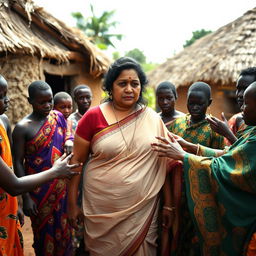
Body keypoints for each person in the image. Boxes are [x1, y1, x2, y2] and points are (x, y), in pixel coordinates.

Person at [68, 57, 172, 256]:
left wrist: (169, 205)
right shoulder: (92, 117)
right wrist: (72, 205)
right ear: (110, 87)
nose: (129, 89)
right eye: (122, 84)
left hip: (142, 212)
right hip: (100, 209)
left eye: (135, 84)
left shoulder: (151, 118)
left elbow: (165, 163)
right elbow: (76, 163)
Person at [151, 81, 256, 256]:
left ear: (209, 103)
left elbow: (227, 165)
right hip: (179, 193)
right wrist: (190, 147)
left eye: (246, 103)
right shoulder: (252, 131)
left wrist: (183, 156)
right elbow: (229, 153)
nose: (241, 107)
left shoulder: (216, 129)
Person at [0, 76, 79, 256]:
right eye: (41, 102)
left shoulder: (58, 117)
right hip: (38, 192)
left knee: (66, 233)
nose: (47, 105)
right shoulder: (22, 128)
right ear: (30, 101)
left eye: (50, 101)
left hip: (62, 188)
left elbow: (68, 131)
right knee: (43, 237)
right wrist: (26, 198)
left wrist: (69, 140)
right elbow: (17, 162)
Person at [162, 82, 224, 256]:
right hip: (174, 192)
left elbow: (218, 162)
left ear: (209, 103)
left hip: (200, 193)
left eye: (200, 104)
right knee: (173, 231)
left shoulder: (214, 129)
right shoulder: (178, 124)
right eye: (191, 103)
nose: (195, 107)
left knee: (194, 238)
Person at [68, 85, 92, 256]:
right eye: (81, 98)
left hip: (95, 172)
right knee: (79, 206)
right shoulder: (71, 121)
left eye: (87, 97)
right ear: (75, 99)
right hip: (78, 171)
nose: (85, 101)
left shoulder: (96, 117)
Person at [207, 67, 256, 145]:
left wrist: (227, 133)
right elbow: (227, 153)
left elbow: (247, 154)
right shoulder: (235, 120)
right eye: (238, 89)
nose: (240, 94)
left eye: (245, 89)